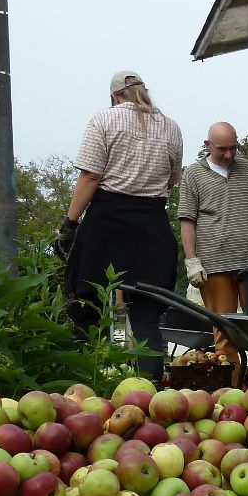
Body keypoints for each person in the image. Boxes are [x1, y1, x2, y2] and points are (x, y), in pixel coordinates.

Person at [56, 70, 183, 384]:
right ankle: (148, 395)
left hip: (106, 225)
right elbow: (172, 179)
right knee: (145, 319)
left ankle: (73, 392)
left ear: (114, 96)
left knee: (86, 312)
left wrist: (69, 224)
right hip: (152, 226)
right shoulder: (171, 126)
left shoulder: (103, 119)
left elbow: (90, 177)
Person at [178, 122, 248, 381]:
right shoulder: (193, 174)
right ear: (207, 145)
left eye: (234, 148)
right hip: (214, 264)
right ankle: (232, 392)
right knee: (225, 332)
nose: (230, 155)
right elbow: (187, 220)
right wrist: (192, 260)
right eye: (223, 149)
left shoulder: (247, 168)